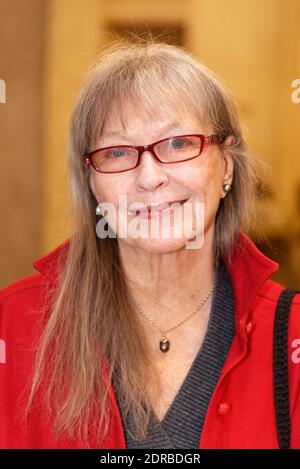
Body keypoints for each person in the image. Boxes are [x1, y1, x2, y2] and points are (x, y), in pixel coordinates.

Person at [0, 39, 299, 450]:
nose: (149, 177)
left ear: (226, 165)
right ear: (91, 184)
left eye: (178, 144)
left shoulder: (291, 338)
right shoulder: (12, 326)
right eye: (118, 151)